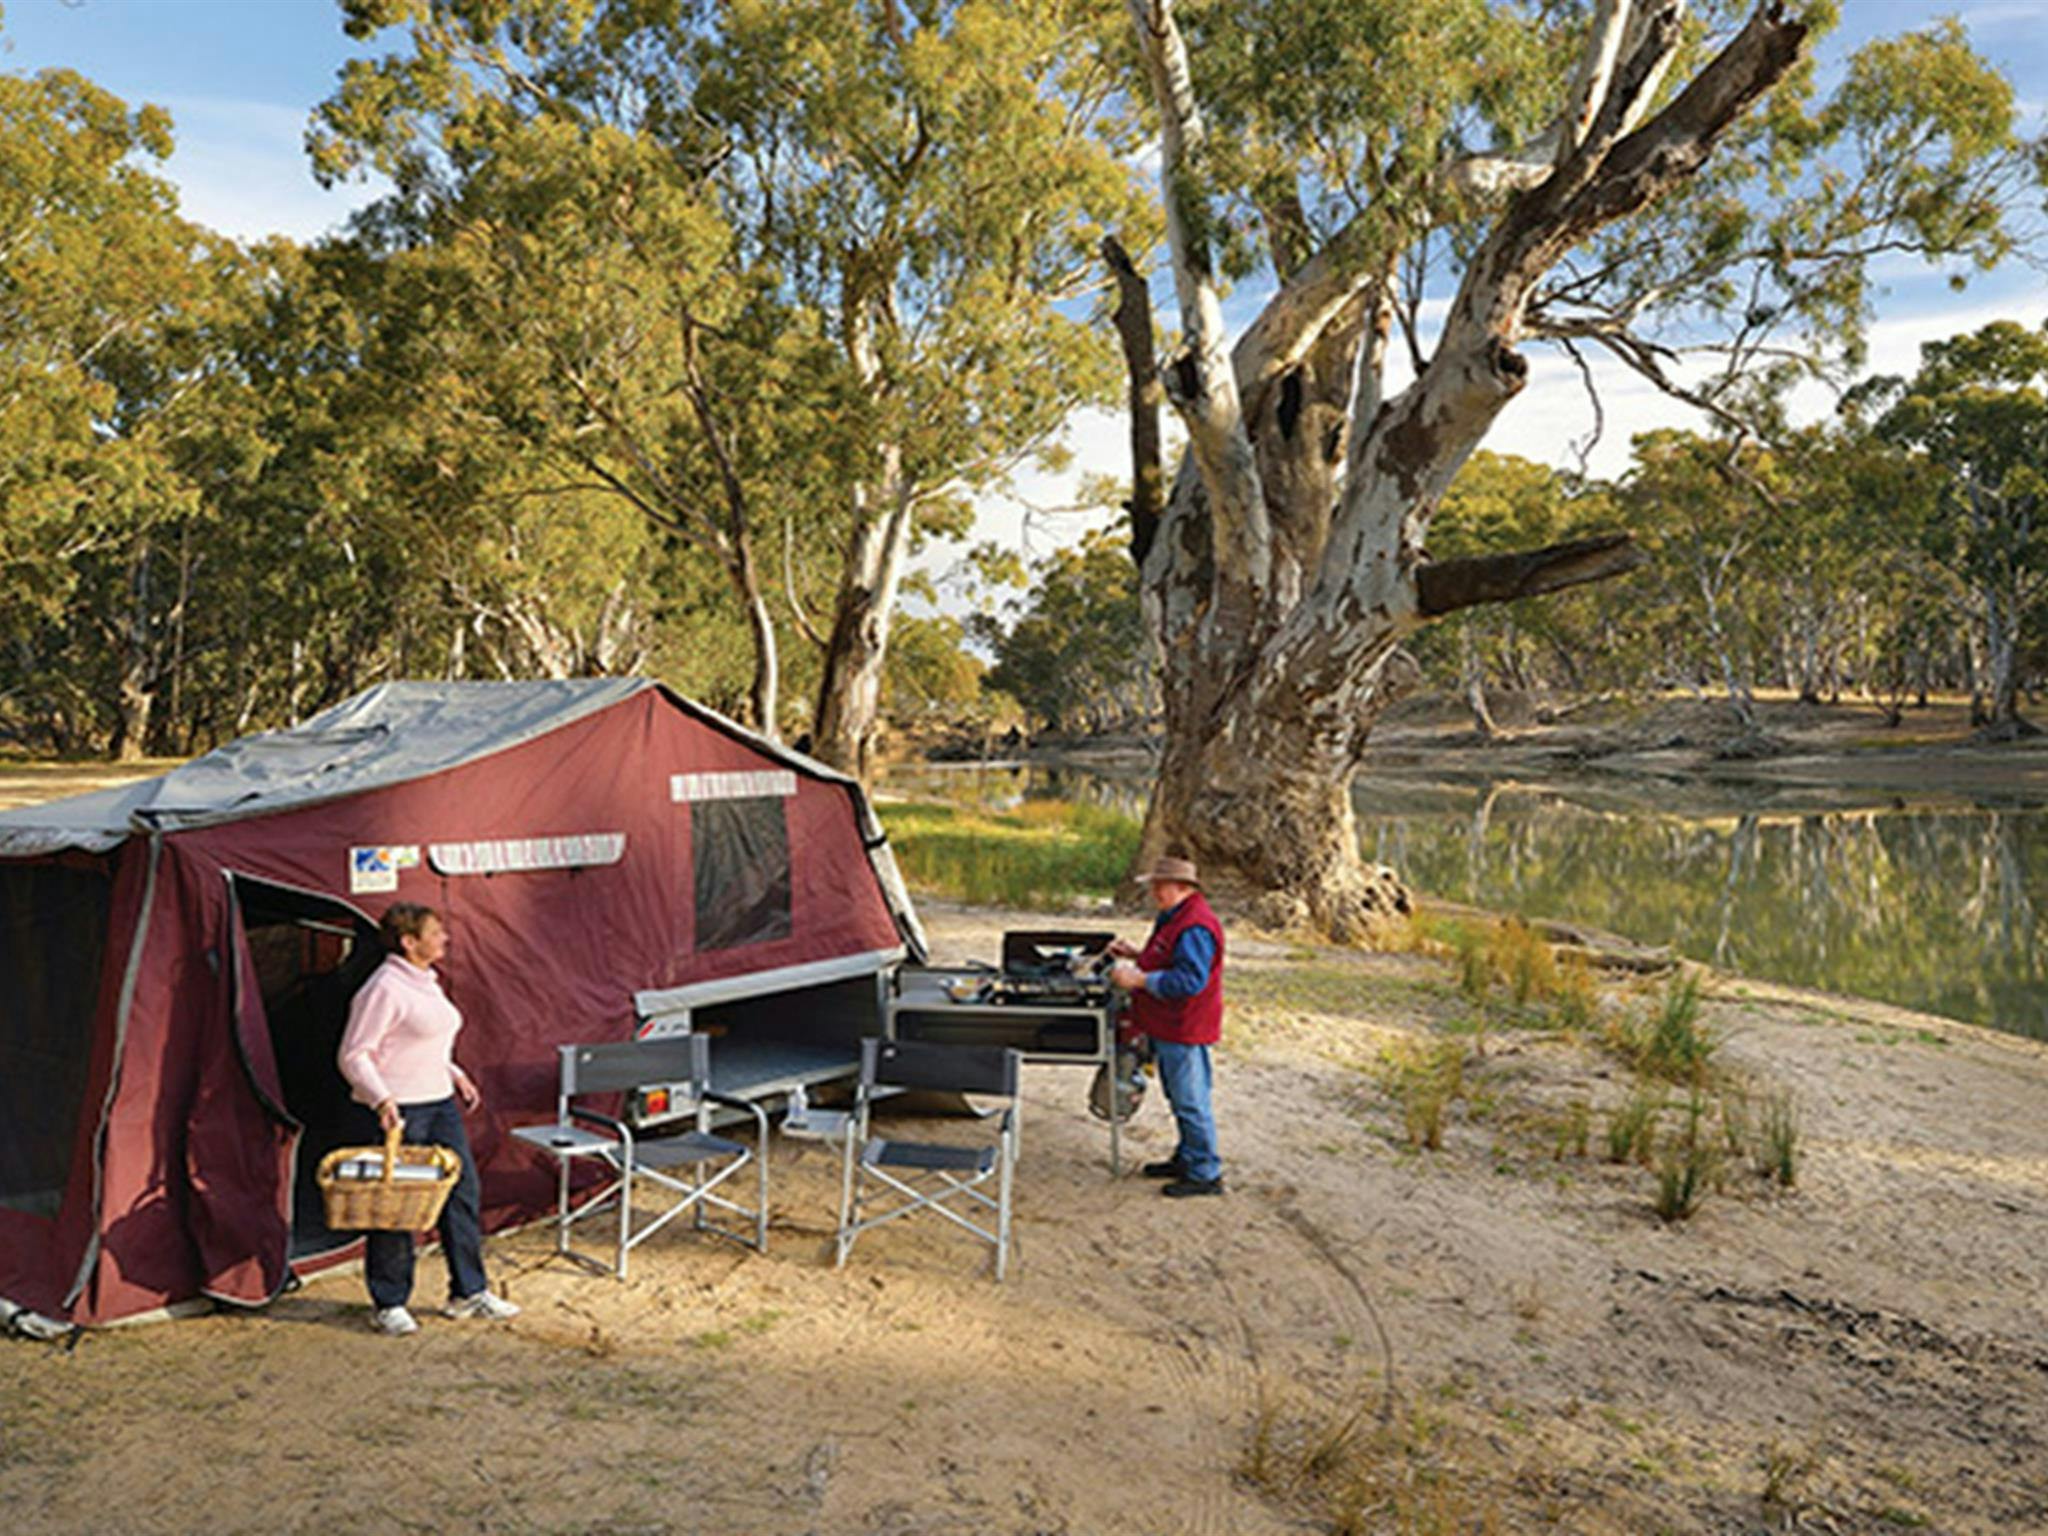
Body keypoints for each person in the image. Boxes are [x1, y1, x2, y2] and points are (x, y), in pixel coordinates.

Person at [337, 902, 519, 1336]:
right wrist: (382, 1100)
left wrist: (453, 1073)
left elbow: (426, 1039)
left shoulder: (427, 983)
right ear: (409, 942)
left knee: (461, 1193)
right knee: (397, 1206)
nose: (445, 939)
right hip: (401, 1112)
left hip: (440, 1105)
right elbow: (354, 1055)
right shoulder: (383, 988)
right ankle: (389, 1301)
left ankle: (468, 1292)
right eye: (435, 933)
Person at [1107, 855, 1226, 1197]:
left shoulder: (1195, 926)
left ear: (1182, 887)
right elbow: (1167, 958)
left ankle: (1205, 1173)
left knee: (1191, 1099)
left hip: (1184, 1025)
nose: (1154, 892)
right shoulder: (1174, 917)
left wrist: (1139, 979)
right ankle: (1187, 1157)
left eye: (1159, 885)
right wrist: (1136, 954)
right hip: (1168, 1023)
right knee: (1178, 1095)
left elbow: (1190, 980)